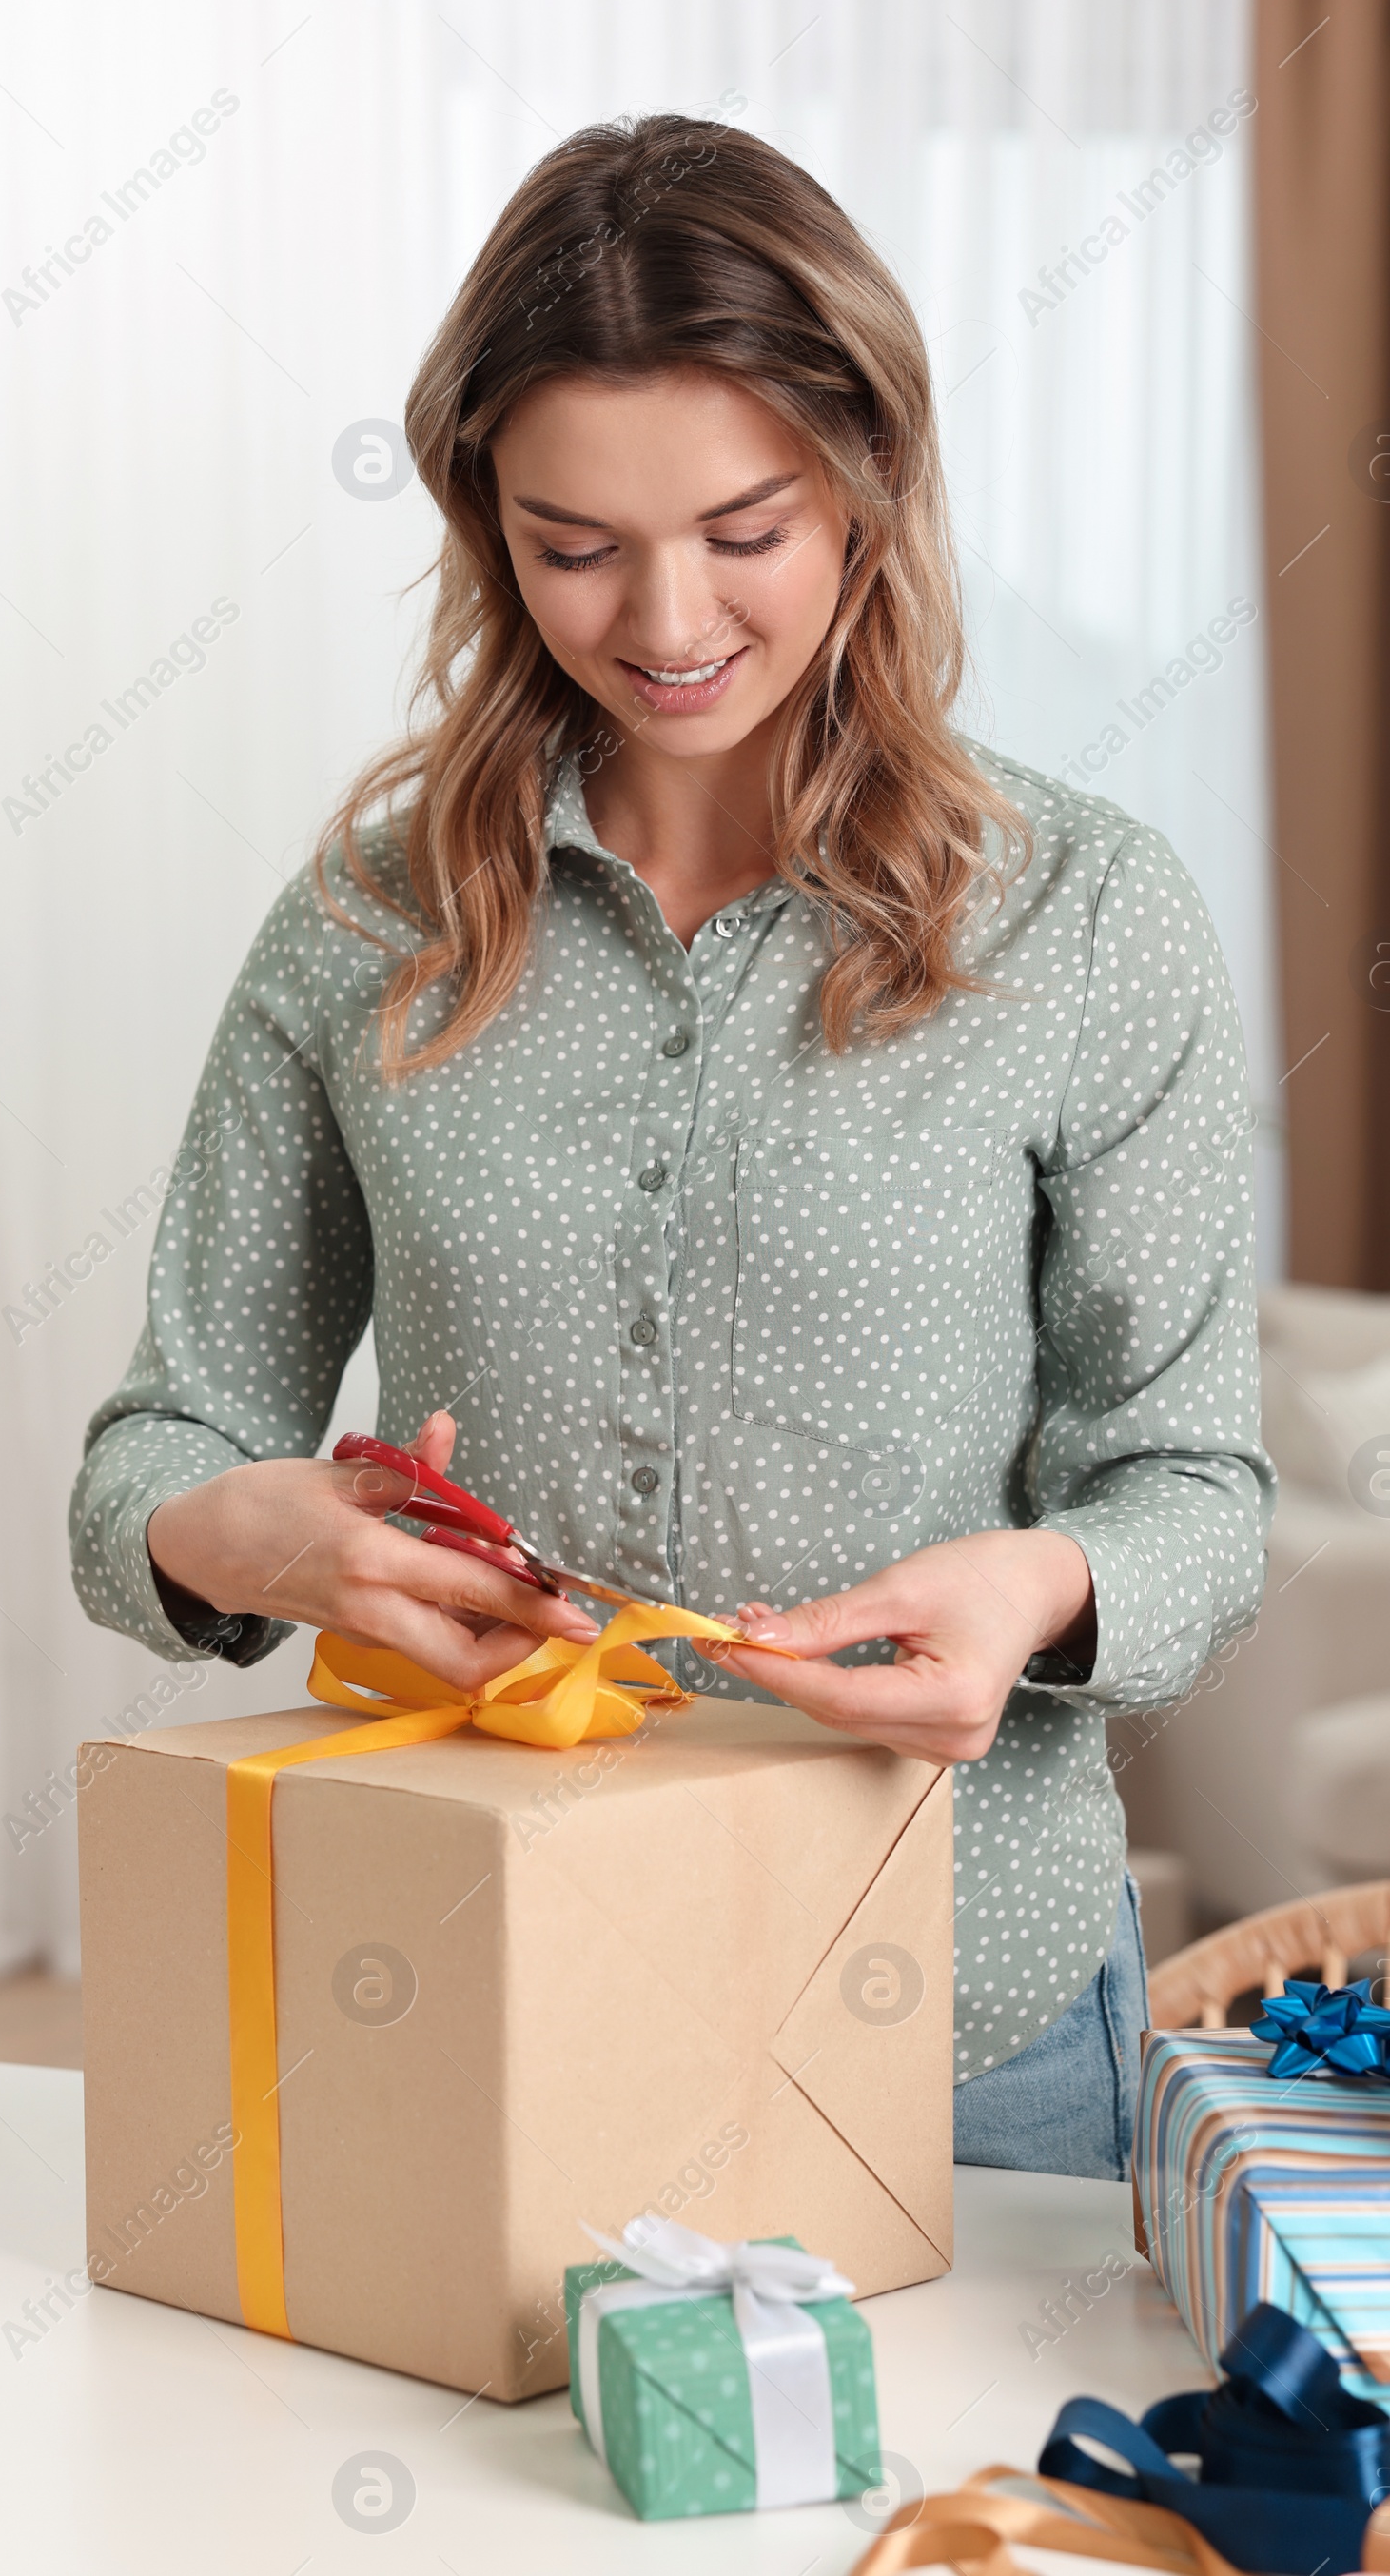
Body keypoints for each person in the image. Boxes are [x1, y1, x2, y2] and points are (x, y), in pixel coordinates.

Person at [70, 113, 1273, 2180]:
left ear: (869, 488)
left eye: (746, 527)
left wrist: (1039, 1589)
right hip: (485, 1974)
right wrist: (244, 1539)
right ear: (481, 524)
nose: (664, 618)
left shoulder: (1083, 916)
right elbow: (158, 1450)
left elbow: (1190, 1484)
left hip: (958, 2011)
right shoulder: (363, 930)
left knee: (951, 2520)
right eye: (571, 545)